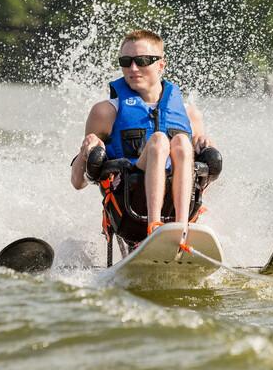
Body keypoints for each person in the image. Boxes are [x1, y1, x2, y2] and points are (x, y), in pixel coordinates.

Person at [70, 29, 217, 250]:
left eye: (143, 60)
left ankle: (182, 226)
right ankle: (154, 227)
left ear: (161, 64)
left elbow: (208, 175)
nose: (133, 68)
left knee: (182, 143)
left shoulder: (189, 115)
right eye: (126, 61)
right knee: (158, 141)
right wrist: (86, 151)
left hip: (177, 207)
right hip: (129, 209)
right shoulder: (105, 112)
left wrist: (205, 146)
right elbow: (78, 182)